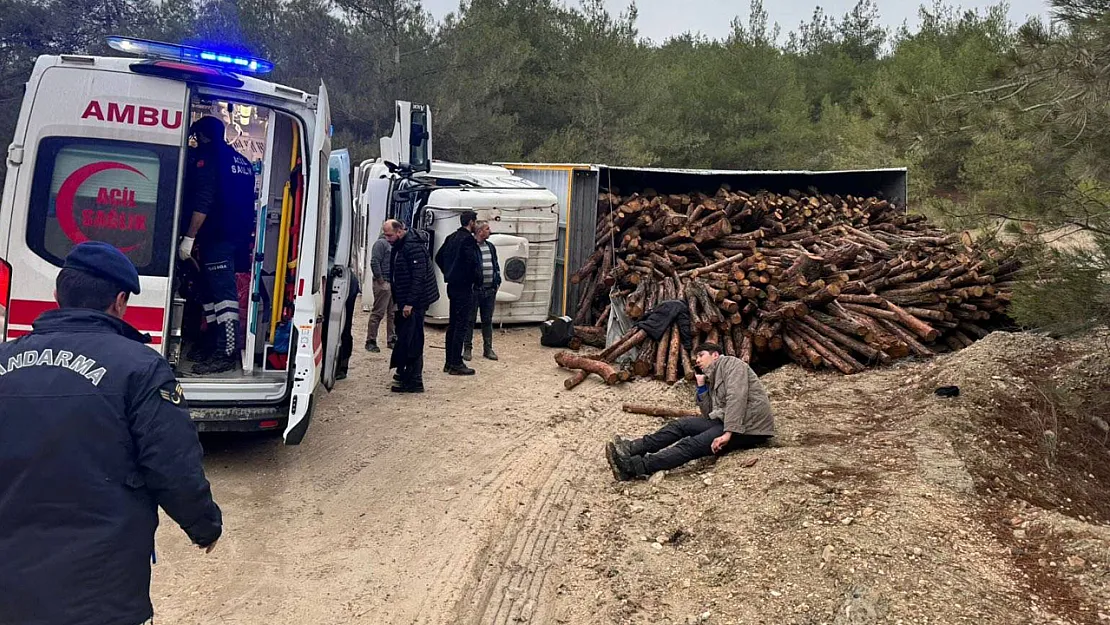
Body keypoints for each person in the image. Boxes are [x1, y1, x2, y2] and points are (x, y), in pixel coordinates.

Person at [0, 242, 223, 625]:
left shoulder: (4, 361)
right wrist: (203, 526)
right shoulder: (139, 368)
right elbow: (172, 465)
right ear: (120, 301)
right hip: (102, 596)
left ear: (57, 296)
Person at [605, 343, 774, 481]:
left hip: (750, 427)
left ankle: (635, 468)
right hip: (728, 421)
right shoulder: (713, 376)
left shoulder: (732, 365)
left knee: (691, 444)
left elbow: (737, 398)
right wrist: (701, 387)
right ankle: (632, 448)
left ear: (715, 355)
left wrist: (728, 433)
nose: (697, 360)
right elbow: (709, 413)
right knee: (681, 425)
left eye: (701, 355)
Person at [178, 115, 257, 375]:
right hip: (237, 238)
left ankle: (225, 352)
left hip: (217, 238)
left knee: (224, 299)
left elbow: (203, 202)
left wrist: (189, 238)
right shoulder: (242, 161)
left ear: (203, 137)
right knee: (211, 295)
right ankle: (212, 342)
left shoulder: (210, 160)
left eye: (196, 138)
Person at [386, 219, 439, 393]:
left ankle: (415, 380)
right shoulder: (403, 245)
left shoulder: (412, 247)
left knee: (413, 339)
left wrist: (410, 303)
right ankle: (404, 373)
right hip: (407, 300)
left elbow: (418, 278)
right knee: (406, 337)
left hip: (415, 302)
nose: (387, 238)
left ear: (400, 231)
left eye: (389, 235)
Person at [434, 210, 481, 375]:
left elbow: (439, 257)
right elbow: (472, 263)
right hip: (463, 286)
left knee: (453, 324)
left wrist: (449, 272)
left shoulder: (452, 237)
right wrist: (475, 279)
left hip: (452, 285)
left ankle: (449, 361)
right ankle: (456, 363)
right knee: (461, 324)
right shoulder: (468, 240)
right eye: (476, 221)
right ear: (471, 222)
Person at [463, 220, 501, 361]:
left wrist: (497, 281)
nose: (489, 231)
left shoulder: (490, 247)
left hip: (489, 289)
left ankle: (488, 348)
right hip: (475, 290)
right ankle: (467, 348)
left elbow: (495, 264)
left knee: (487, 320)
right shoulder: (471, 247)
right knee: (470, 320)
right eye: (487, 229)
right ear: (480, 232)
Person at [365, 230, 397, 353]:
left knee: (392, 313)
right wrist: (381, 280)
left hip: (392, 283)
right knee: (378, 313)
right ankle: (371, 340)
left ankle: (391, 339)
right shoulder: (381, 244)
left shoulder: (393, 244)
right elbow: (375, 262)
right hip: (384, 282)